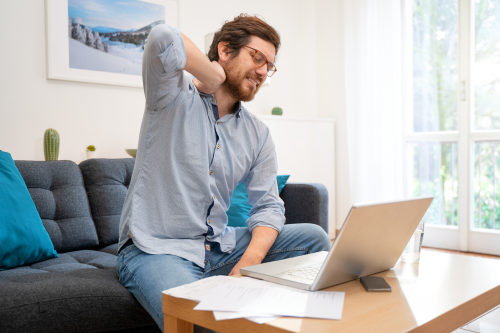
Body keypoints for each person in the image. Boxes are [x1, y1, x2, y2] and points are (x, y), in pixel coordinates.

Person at [116, 14, 331, 331]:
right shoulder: (170, 96)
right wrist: (212, 75)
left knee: (314, 238)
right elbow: (162, 38)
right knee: (205, 322)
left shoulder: (257, 134)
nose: (262, 72)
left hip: (221, 249)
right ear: (225, 49)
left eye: (268, 66)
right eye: (257, 58)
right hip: (158, 250)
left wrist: (248, 264)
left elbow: (269, 207)